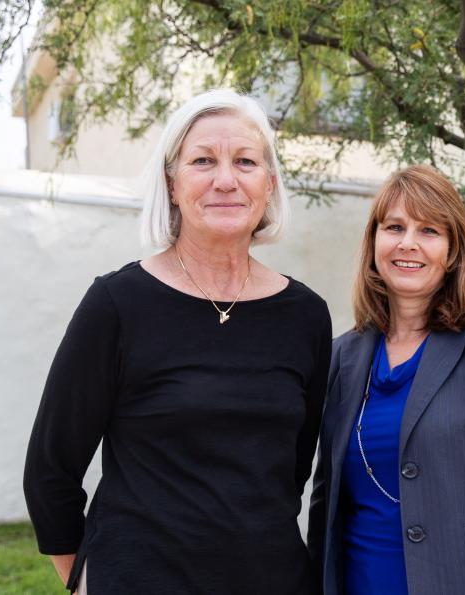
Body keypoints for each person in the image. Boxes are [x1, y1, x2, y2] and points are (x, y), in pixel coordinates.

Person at [23, 89, 331, 594]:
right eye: (203, 160)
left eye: (246, 162)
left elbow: (292, 474)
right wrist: (86, 580)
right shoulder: (118, 303)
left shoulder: (306, 315)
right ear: (172, 183)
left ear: (269, 184)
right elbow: (50, 470)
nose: (226, 180)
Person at [308, 165, 465, 594]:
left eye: (428, 230)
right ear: (374, 243)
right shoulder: (341, 357)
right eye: (395, 227)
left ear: (453, 251)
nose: (408, 243)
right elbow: (326, 503)